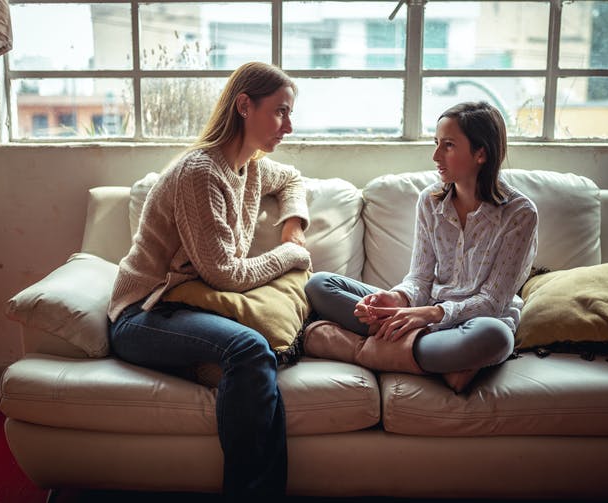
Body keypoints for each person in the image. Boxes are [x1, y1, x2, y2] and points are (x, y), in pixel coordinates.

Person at [107, 62, 311, 496]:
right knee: (251, 349)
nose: (288, 126)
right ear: (244, 105)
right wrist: (290, 254)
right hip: (144, 311)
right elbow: (227, 274)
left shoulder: (251, 167)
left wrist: (293, 225)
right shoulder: (200, 173)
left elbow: (292, 178)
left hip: (189, 304)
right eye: (280, 112)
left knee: (268, 349)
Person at [304, 101, 538, 393]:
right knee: (320, 284)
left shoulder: (519, 214)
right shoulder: (430, 201)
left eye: (448, 145)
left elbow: (491, 302)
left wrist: (430, 315)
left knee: (495, 338)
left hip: (475, 322)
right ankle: (433, 359)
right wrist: (397, 299)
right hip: (421, 315)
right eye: (436, 143)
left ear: (481, 153)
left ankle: (359, 349)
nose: (436, 155)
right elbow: (420, 277)